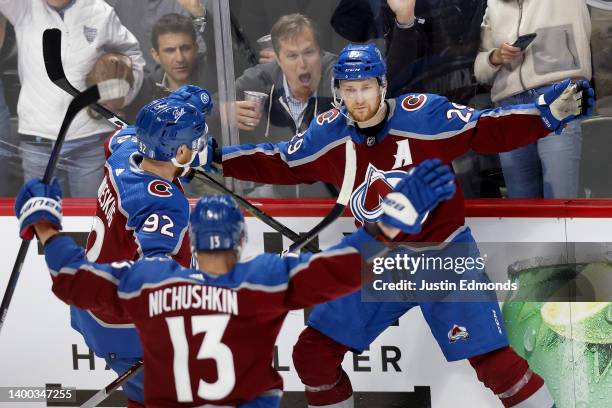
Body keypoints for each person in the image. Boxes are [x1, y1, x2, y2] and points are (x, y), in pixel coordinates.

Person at [201, 43, 594, 407]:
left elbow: (485, 128)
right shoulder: (331, 133)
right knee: (313, 354)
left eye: (366, 88)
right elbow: (279, 160)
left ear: (383, 85)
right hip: (380, 263)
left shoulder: (423, 115)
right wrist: (215, 157)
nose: (358, 99)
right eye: (349, 89)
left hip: (444, 259)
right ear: (338, 90)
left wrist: (546, 114)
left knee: (495, 365)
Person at [14, 159, 457, 407]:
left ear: (193, 243)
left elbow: (73, 280)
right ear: (240, 240)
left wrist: (45, 224)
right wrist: (391, 222)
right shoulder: (260, 281)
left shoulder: (151, 283)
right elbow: (343, 268)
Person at [78, 95, 209, 407]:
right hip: (124, 326)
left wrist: (186, 102)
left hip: (92, 303)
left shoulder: (124, 152)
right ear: (179, 150)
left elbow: (127, 133)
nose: (201, 146)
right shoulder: (163, 205)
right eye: (195, 142)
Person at [0, 0, 144, 197]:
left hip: (90, 142)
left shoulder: (100, 11)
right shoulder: (23, 7)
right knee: (39, 222)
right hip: (38, 143)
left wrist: (121, 97)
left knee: (91, 221)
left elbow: (133, 55)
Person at [474, 0, 592, 198]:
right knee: (522, 205)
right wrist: (496, 57)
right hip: (509, 106)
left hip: (561, 94)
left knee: (559, 200)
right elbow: (479, 70)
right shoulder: (494, 4)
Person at [230, 13, 337, 198]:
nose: (302, 64)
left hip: (333, 196)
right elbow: (209, 106)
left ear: (321, 52)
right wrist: (225, 111)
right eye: (292, 56)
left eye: (309, 52)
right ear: (278, 60)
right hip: (279, 193)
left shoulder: (338, 74)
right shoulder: (260, 79)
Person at [126, 12, 216, 122]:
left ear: (196, 48)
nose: (180, 58)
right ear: (156, 55)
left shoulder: (214, 76)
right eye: (170, 50)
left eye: (185, 48)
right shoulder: (144, 91)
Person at [106, 0, 209, 74]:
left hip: (190, 82)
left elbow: (205, 51)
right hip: (137, 86)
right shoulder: (111, 6)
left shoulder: (193, 4)